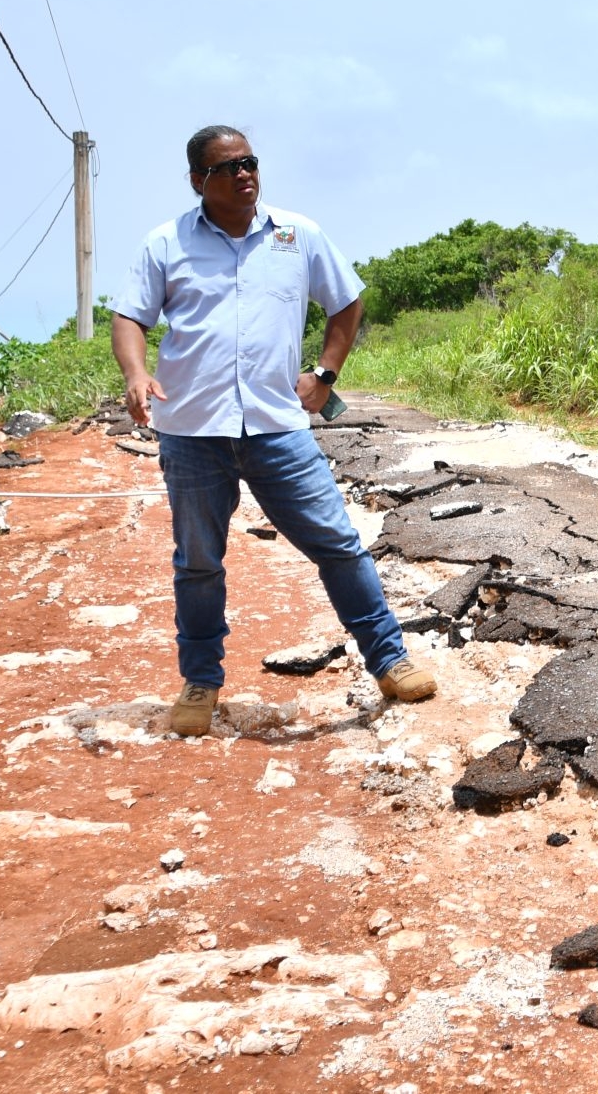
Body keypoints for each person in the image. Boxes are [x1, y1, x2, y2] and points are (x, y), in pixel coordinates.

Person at [110, 126, 437, 738]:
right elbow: (129, 315)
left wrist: (325, 373)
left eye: (250, 163)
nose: (244, 175)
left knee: (338, 544)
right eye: (228, 167)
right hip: (192, 430)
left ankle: (390, 661)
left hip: (277, 427)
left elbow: (346, 302)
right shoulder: (165, 243)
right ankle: (201, 681)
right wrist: (136, 372)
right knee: (199, 562)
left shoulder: (297, 235)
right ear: (197, 181)